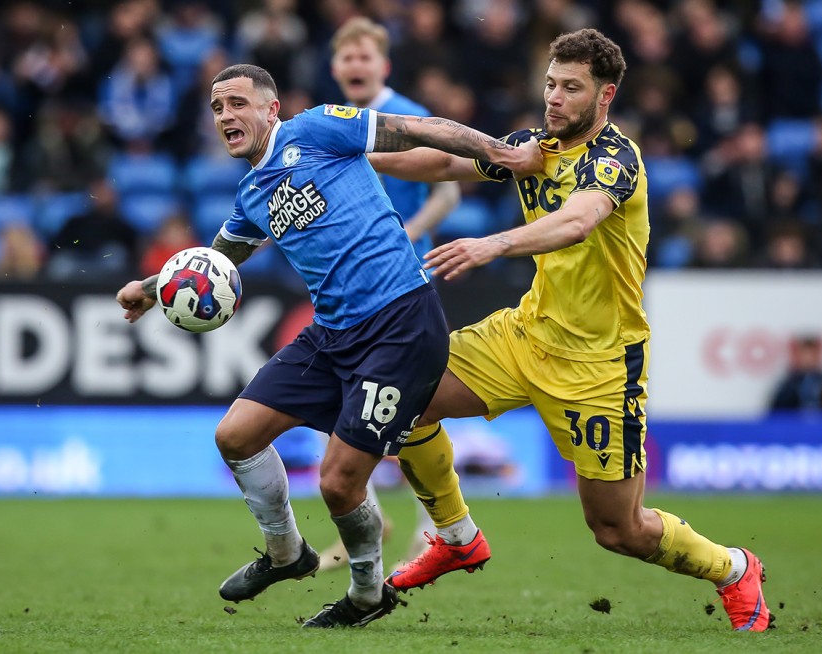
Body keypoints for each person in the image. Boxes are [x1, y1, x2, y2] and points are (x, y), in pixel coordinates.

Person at [369, 28, 772, 632]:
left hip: (601, 365)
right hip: (526, 334)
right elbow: (446, 161)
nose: (554, 98)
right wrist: (343, 156)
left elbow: (579, 221)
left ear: (604, 96)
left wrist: (491, 244)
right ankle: (456, 536)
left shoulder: (616, 159)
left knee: (618, 529)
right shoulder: (535, 145)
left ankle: (734, 568)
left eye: (571, 88)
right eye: (550, 84)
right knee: (401, 399)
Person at [114, 63, 539, 628]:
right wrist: (148, 290)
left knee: (339, 482)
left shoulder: (313, 130)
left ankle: (367, 593)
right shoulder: (250, 193)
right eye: (217, 108)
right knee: (235, 436)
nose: (226, 116)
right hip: (334, 333)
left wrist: (501, 154)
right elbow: (220, 259)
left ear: (271, 109)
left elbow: (412, 130)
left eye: (237, 103)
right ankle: (287, 553)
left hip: (400, 325)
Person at [317, 16, 462, 573]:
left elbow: (447, 190)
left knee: (414, 407)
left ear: (383, 66)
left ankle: (436, 527)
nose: (355, 65)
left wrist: (411, 231)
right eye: (346, 57)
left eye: (364, 57)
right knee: (341, 401)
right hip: (352, 281)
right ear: (336, 67)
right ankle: (368, 519)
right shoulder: (335, 123)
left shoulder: (405, 116)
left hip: (405, 280)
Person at [770, 335, 822, 413]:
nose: (808, 359)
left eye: (811, 354)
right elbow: (776, 413)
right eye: (805, 354)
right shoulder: (789, 384)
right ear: (798, 356)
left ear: (817, 356)